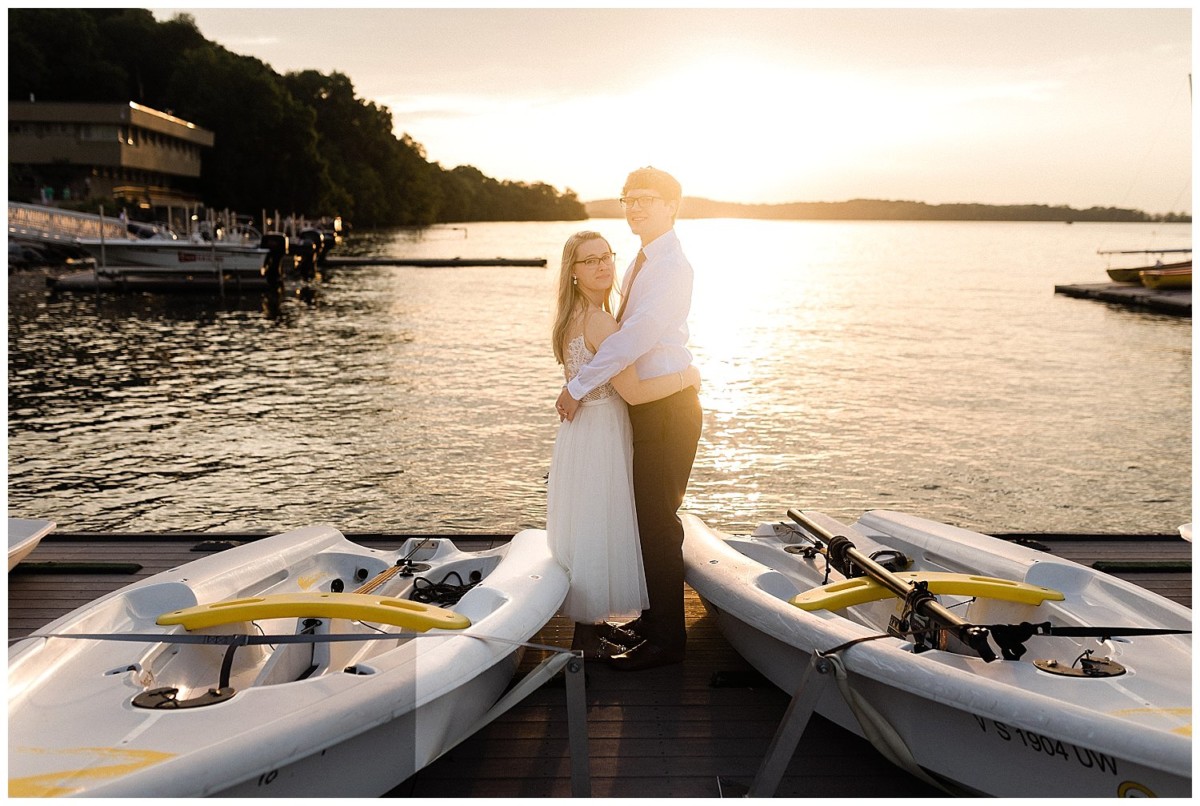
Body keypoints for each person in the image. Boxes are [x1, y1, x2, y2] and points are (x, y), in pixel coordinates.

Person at [555, 167, 702, 671]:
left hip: (666, 408)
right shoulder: (641, 261)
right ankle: (652, 618)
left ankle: (667, 641)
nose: (634, 208)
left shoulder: (670, 267)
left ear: (671, 206)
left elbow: (634, 336)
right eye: (628, 199)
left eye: (646, 199)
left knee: (658, 522)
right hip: (647, 405)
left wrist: (576, 386)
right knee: (643, 517)